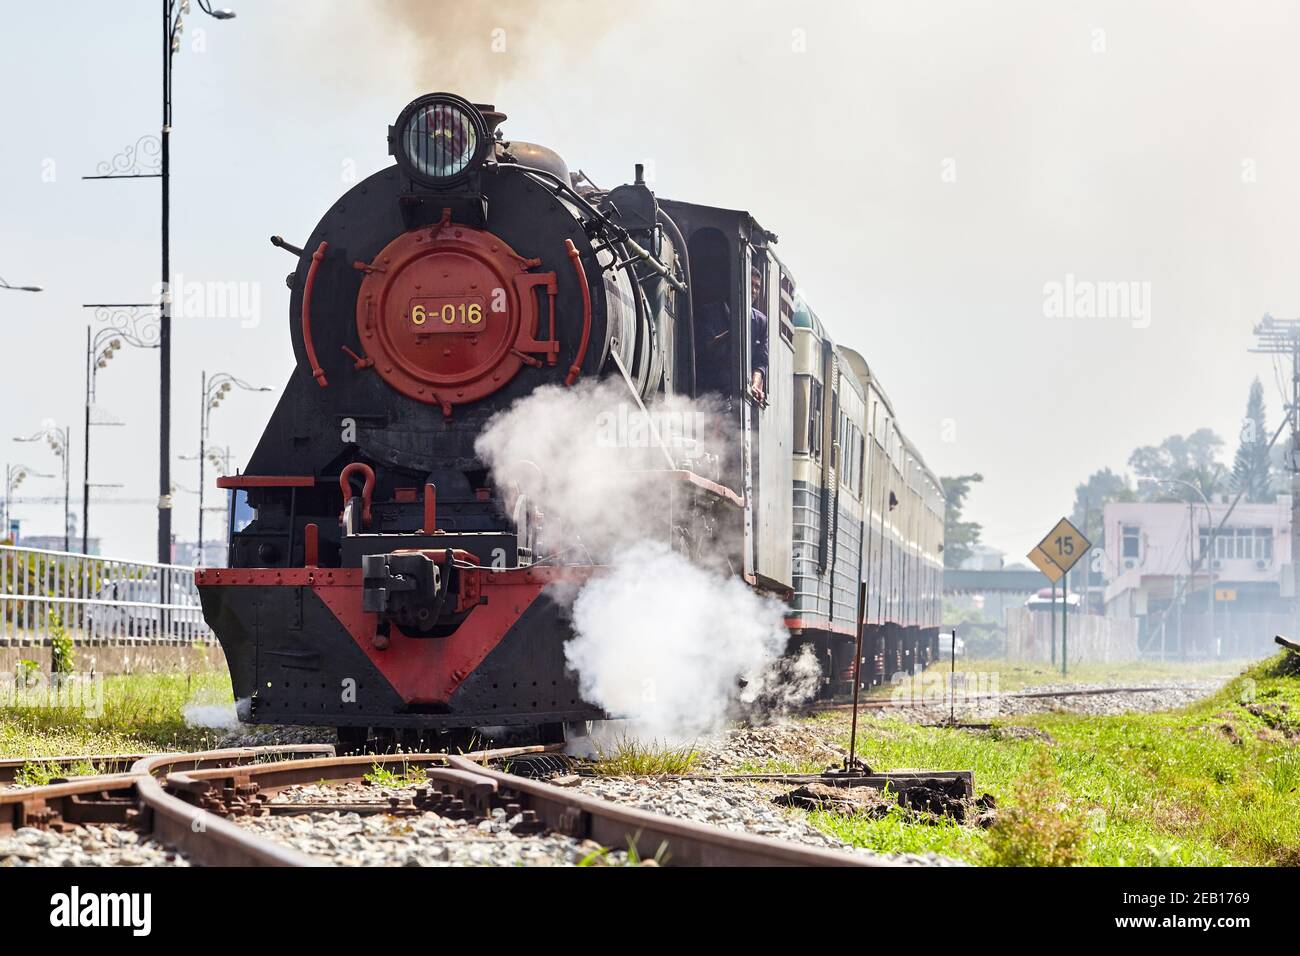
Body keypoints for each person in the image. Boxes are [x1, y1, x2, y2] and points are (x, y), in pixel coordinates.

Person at [749, 265, 769, 405]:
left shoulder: (760, 322)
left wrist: (755, 384)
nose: (753, 290)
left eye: (757, 287)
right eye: (750, 284)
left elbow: (760, 362)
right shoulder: (713, 312)